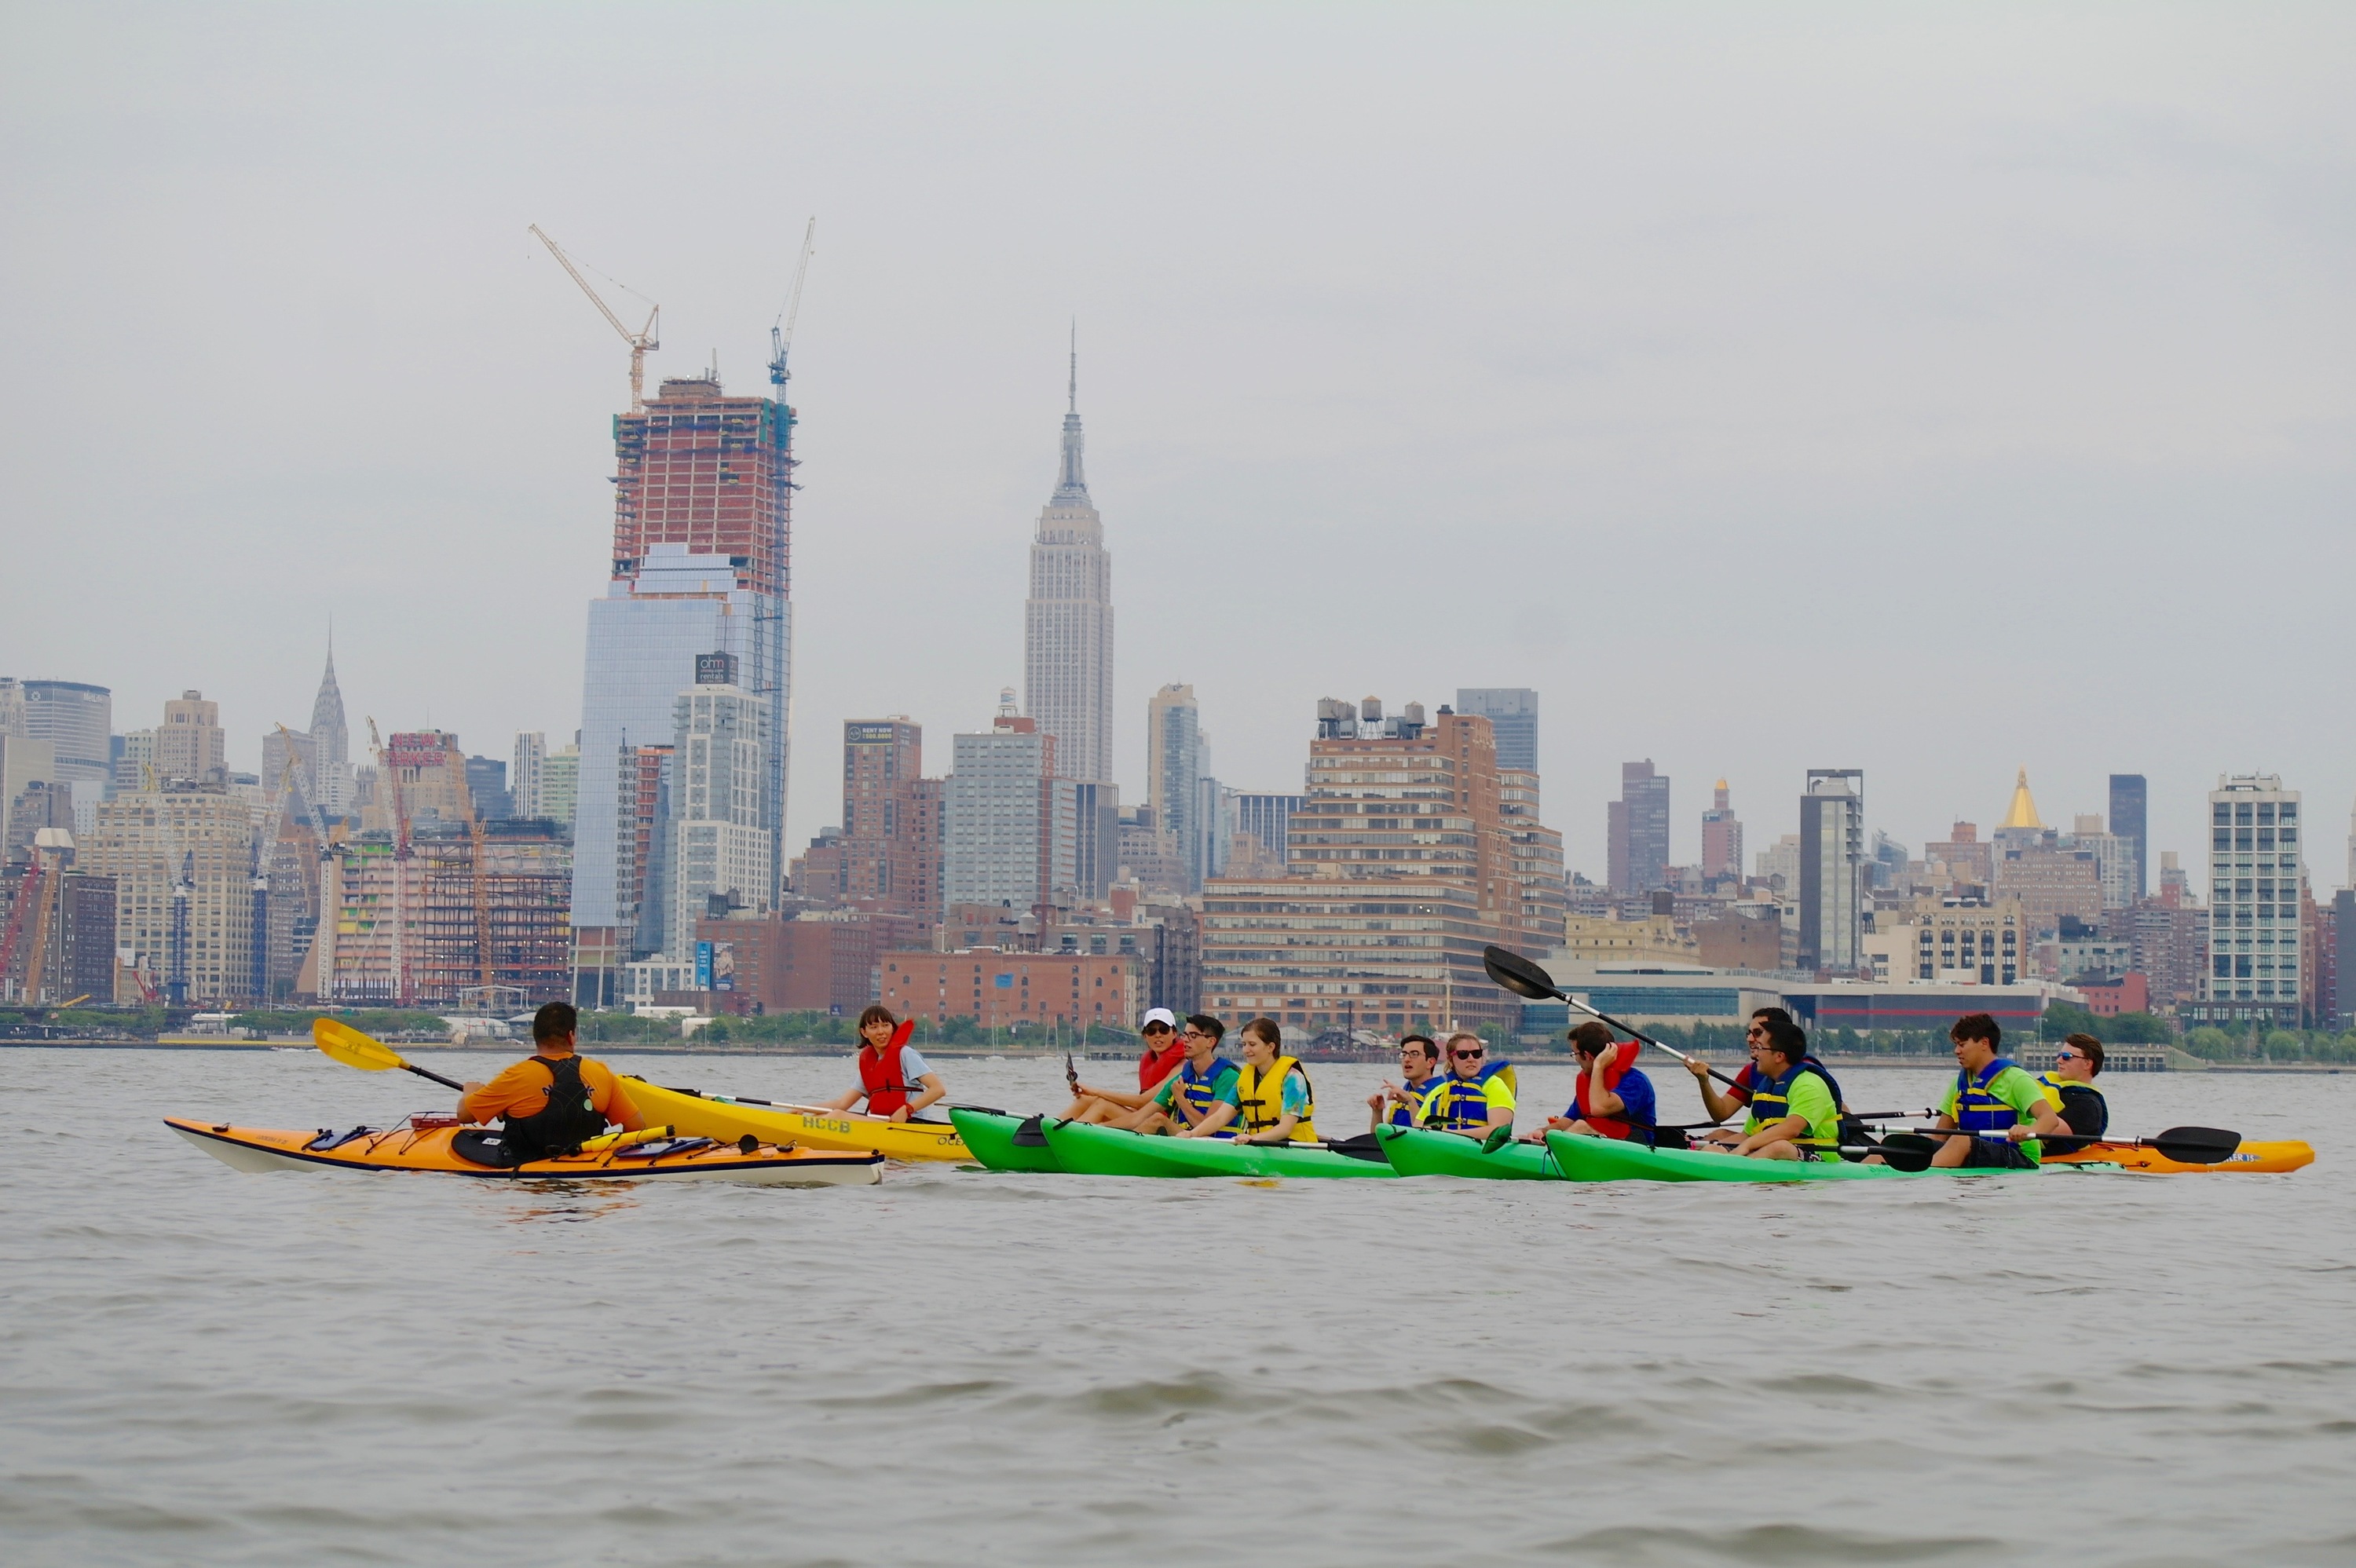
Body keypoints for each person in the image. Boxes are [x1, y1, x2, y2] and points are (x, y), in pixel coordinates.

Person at [458, 1002, 646, 1160]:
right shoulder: (601, 1073)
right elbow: (636, 1127)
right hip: (586, 1173)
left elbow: (465, 1116)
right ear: (571, 1036)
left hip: (528, 1177)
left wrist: (470, 1091)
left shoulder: (517, 1076)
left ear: (536, 1037)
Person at [1889, 1012, 2069, 1170]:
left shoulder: (2016, 1079)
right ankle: (1870, 1171)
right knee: (1900, 1142)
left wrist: (2028, 1131)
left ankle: (1920, 1177)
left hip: (2019, 1156)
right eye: (1956, 1045)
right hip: (1973, 1150)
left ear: (1984, 1043)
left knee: (1961, 1140)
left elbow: (2049, 1119)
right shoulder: (1959, 1083)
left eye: (1962, 1044)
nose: (1956, 1051)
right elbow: (1940, 1135)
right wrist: (1914, 1148)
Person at [1685, 1007, 1852, 1131]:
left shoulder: (1807, 1075)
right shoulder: (1752, 1072)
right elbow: (1721, 1113)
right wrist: (1703, 1081)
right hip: (1773, 1139)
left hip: (1803, 1144)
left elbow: (1838, 1113)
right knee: (1719, 1135)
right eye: (1748, 1033)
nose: (1750, 1039)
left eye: (1758, 1033)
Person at [1713, 1018, 1842, 1160]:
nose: (1756, 1053)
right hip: (1772, 1156)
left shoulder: (1809, 1085)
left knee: (1780, 1147)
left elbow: (1791, 1129)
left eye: (1761, 1048)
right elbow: (1747, 1135)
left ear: (1779, 1056)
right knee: (1713, 1148)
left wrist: (1747, 1146)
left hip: (1819, 1160)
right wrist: (1717, 1147)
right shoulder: (1766, 1087)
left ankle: (1734, 1170)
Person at [1062, 1007, 1187, 1124]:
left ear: (1174, 1033)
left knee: (1102, 1105)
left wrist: (1094, 1092)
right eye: (1151, 1031)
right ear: (1145, 1036)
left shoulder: (1181, 1066)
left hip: (1158, 1123)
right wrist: (1089, 1094)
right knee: (1084, 1100)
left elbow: (1142, 1102)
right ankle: (1048, 1134)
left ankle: (1071, 1139)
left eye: (1164, 1030)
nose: (1158, 1035)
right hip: (1142, 1116)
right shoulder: (1149, 1061)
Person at [822, 1006, 946, 1123]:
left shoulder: (906, 1055)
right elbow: (842, 1104)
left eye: (885, 1025)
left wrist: (907, 1109)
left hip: (911, 1124)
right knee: (823, 1115)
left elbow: (938, 1089)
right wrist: (804, 1109)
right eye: (874, 1027)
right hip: (883, 1122)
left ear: (892, 1028)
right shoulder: (870, 1064)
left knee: (837, 1116)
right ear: (864, 1032)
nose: (881, 1032)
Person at [1542, 1021, 1657, 1145]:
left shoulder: (1636, 1082)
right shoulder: (1588, 1084)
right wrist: (1542, 1133)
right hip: (1600, 1147)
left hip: (1633, 1149)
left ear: (1587, 1056)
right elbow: (1566, 1123)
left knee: (1581, 1127)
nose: (1575, 1058)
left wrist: (1598, 1066)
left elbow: (1599, 1108)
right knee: (1569, 1128)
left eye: (1574, 1054)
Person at [1136, 1014, 1242, 1138]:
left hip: (1216, 1145)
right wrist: (1108, 1130)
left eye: (1193, 1036)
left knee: (1159, 1120)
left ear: (1211, 1042)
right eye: (1185, 1035)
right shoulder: (1182, 1078)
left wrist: (1180, 1098)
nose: (1185, 1040)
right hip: (1187, 1140)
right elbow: (1138, 1117)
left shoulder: (1228, 1077)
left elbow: (1208, 1127)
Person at [1231, 1018, 1319, 1144]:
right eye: (1244, 1044)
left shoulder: (1293, 1078)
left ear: (1270, 1047)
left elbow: (1285, 1129)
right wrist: (1193, 1133)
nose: (1245, 1050)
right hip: (1260, 1145)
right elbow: (1220, 1116)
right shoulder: (1246, 1077)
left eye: (1252, 1044)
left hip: (1296, 1147)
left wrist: (1253, 1138)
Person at [1418, 1030, 1516, 1139]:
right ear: (1451, 1060)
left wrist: (1449, 1134)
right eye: (1463, 1054)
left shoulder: (1495, 1085)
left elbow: (1499, 1131)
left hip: (1482, 1152)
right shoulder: (1438, 1092)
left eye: (1476, 1054)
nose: (1471, 1059)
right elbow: (1418, 1127)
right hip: (1444, 1150)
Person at [2036, 1034, 2109, 1156]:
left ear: (2087, 1064)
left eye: (2066, 1057)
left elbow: (2049, 1130)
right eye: (2059, 1055)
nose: (2058, 1060)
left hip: (2033, 1153)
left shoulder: (2087, 1105)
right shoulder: (2051, 1087)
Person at [1367, 1034, 1446, 1132]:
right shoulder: (1399, 1096)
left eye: (1414, 1054)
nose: (1407, 1060)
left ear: (1430, 1062)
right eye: (1404, 1055)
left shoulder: (1444, 1096)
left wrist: (1411, 1101)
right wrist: (1377, 1111)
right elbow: (1377, 1140)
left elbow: (1430, 1139)